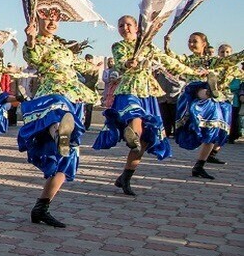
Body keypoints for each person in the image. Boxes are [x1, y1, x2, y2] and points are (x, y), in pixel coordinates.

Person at [93, 16, 200, 196]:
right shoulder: (118, 46)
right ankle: (131, 135)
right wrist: (129, 63)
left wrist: (195, 72)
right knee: (135, 115)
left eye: (128, 25)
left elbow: (169, 62)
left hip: (148, 92)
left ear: (137, 27)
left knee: (145, 140)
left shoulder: (149, 47)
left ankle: (126, 176)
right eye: (121, 25)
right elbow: (120, 62)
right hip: (128, 89)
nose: (124, 28)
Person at [18, 13, 100, 228]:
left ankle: (42, 207)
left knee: (67, 161)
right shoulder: (38, 43)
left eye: (55, 19)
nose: (52, 22)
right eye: (46, 18)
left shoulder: (64, 48)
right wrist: (30, 38)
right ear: (37, 22)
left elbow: (83, 66)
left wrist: (98, 67)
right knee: (59, 111)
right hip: (53, 95)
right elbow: (32, 56)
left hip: (74, 98)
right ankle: (58, 134)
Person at [166, 33, 243, 177]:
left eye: (195, 41)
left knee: (214, 131)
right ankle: (208, 91)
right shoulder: (187, 59)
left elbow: (232, 60)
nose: (191, 44)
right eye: (189, 41)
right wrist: (167, 46)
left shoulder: (212, 62)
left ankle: (199, 166)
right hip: (193, 93)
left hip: (214, 100)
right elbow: (172, 58)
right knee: (201, 88)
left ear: (204, 44)